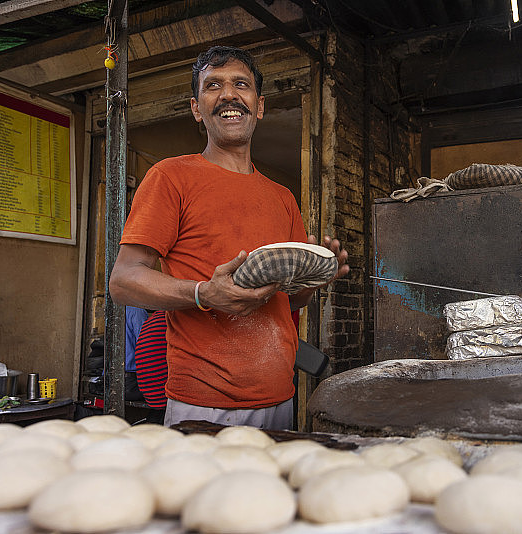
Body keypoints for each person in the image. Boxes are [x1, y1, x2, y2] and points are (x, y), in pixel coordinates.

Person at [108, 45, 349, 431]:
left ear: (260, 105)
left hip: (280, 398)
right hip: (203, 403)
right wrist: (204, 293)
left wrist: (315, 279)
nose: (228, 95)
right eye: (213, 85)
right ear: (196, 108)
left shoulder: (283, 197)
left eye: (241, 84)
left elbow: (286, 301)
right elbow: (123, 281)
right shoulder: (170, 177)